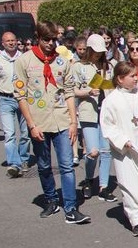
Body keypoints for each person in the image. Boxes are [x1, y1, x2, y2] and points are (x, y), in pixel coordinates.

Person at [14, 20, 90, 224]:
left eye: (53, 39)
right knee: (44, 165)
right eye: (46, 39)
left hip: (61, 120)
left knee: (67, 165)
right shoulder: (24, 61)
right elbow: (20, 95)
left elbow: (69, 92)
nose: (50, 43)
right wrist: (31, 124)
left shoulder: (62, 62)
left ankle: (71, 208)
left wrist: (73, 122)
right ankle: (51, 200)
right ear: (38, 38)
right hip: (38, 122)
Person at [100, 62, 138, 236]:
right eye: (132, 76)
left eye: (136, 75)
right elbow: (108, 125)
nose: (136, 78)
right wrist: (122, 140)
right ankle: (136, 219)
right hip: (124, 150)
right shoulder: (111, 100)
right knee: (128, 184)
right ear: (120, 79)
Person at [69, 33, 115, 201]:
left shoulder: (108, 66)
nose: (98, 54)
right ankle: (88, 179)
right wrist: (87, 92)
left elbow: (113, 85)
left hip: (105, 112)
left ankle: (104, 186)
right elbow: (72, 90)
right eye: (95, 51)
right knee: (93, 151)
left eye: (100, 51)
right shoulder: (78, 66)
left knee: (106, 150)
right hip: (88, 111)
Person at [0, 31, 32, 178]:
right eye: (8, 41)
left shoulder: (24, 58)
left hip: (23, 99)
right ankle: (14, 163)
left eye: (13, 40)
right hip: (5, 99)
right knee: (9, 134)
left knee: (25, 133)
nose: (11, 43)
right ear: (3, 43)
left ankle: (24, 159)